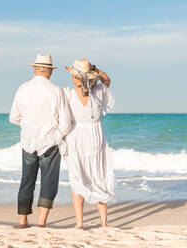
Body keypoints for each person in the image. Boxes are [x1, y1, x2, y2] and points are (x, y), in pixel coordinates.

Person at [10, 53, 71, 228]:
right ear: (50, 72)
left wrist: (29, 126)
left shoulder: (22, 88)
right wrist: (57, 135)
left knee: (26, 181)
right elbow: (65, 122)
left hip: (28, 140)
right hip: (50, 142)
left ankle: (22, 221)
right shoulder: (56, 90)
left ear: (35, 69)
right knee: (49, 182)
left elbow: (14, 117)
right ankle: (41, 222)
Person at [63, 58, 115, 229]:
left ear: (78, 77)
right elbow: (107, 79)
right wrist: (95, 70)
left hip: (78, 137)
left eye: (74, 75)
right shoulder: (98, 91)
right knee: (95, 176)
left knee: (80, 178)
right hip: (90, 136)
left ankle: (80, 223)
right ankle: (103, 223)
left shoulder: (69, 93)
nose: (72, 77)